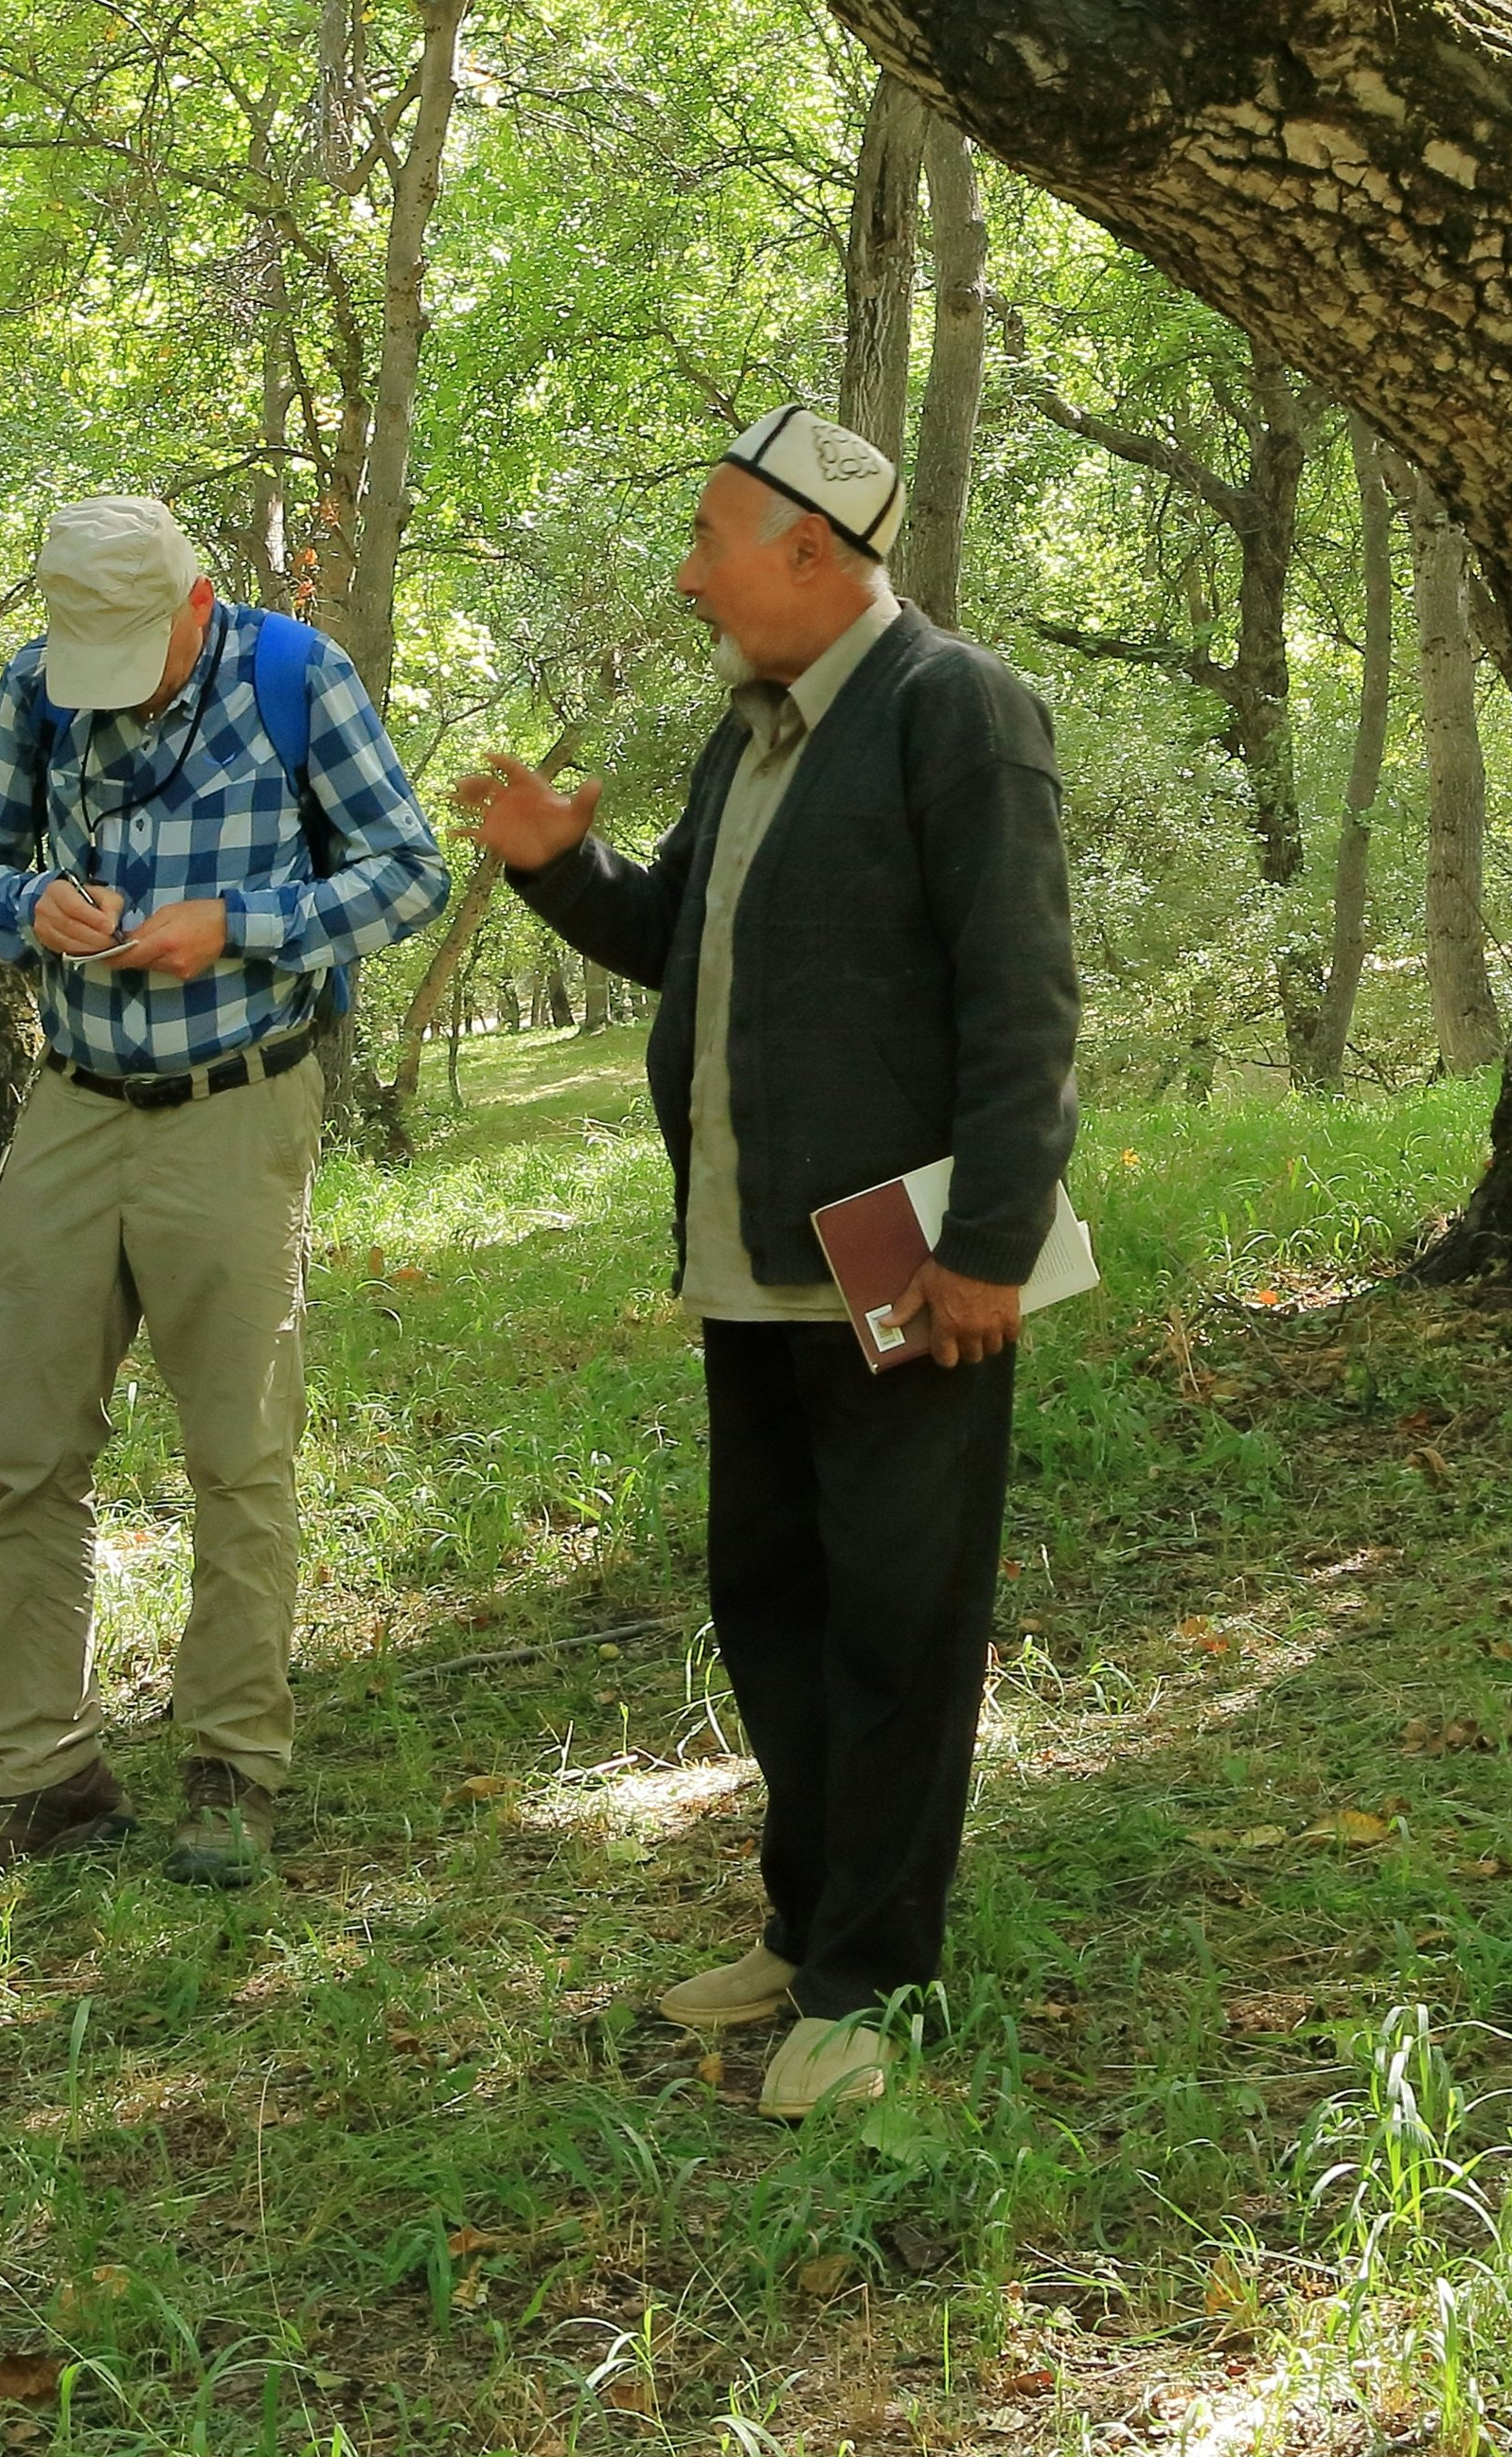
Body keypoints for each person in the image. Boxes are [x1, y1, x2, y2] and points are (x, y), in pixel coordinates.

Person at [455, 404, 1077, 2119]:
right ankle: (810, 1922)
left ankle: (876, 1980)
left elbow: (1019, 1002)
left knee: (900, 1616)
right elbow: (687, 940)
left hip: (907, 1269)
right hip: (752, 1262)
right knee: (776, 1600)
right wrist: (557, 867)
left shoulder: (957, 713)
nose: (688, 576)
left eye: (712, 540)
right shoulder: (747, 738)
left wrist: (989, 1245)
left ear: (812, 547)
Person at [0, 497, 447, 1903]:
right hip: (76, 1101)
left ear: (196, 605)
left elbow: (409, 872)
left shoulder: (293, 676)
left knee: (236, 1448)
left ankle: (230, 1764)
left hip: (237, 1100)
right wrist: (28, 903)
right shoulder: (38, 687)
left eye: (137, 652)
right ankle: (39, 1772)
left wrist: (246, 921)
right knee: (23, 1441)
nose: (115, 680)